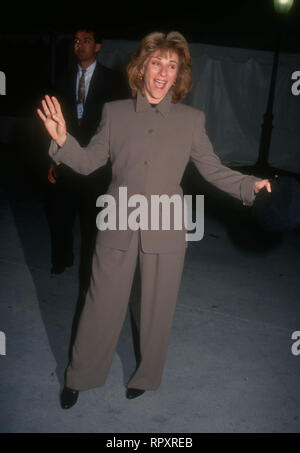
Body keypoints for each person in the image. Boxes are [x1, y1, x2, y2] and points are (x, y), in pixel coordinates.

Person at [37, 31, 271, 409]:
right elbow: (89, 162)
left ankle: (145, 377)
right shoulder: (114, 113)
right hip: (118, 223)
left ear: (179, 74)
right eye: (157, 63)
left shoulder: (191, 121)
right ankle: (80, 375)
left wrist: (251, 186)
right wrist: (63, 142)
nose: (164, 72)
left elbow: (212, 169)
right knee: (99, 305)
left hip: (166, 230)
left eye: (172, 65)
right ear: (141, 67)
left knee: (155, 313)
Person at [47, 25, 126, 293]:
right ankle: (61, 260)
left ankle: (89, 276)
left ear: (98, 46)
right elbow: (52, 124)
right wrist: (53, 160)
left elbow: (119, 128)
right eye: (77, 40)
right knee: (60, 216)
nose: (79, 45)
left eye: (86, 40)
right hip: (68, 161)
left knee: (93, 225)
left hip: (98, 166)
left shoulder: (114, 82)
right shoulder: (62, 78)